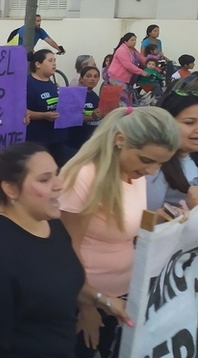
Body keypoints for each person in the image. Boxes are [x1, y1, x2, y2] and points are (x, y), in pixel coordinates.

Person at [0, 143, 130, 358]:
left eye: (56, 174)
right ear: (11, 189)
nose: (59, 185)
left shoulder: (51, 224)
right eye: (45, 179)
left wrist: (104, 300)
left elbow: (59, 284)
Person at [59, 106, 179, 358]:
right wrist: (88, 305)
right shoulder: (84, 176)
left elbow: (122, 224)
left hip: (119, 295)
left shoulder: (133, 174)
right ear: (120, 140)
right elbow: (66, 250)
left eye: (160, 163)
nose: (152, 171)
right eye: (147, 160)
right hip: (83, 300)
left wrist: (169, 219)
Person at [147, 77, 198, 210]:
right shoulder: (153, 170)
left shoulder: (192, 155)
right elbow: (141, 224)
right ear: (167, 122)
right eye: (189, 123)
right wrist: (190, 210)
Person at [25, 49, 70, 167]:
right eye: (50, 61)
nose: (54, 64)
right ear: (38, 64)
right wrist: (43, 115)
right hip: (38, 140)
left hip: (57, 138)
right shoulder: (28, 84)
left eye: (55, 61)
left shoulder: (51, 83)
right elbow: (22, 111)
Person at [107, 33, 149, 106]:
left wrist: (152, 64)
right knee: (123, 100)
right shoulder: (122, 50)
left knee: (129, 99)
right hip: (118, 78)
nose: (134, 42)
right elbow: (128, 65)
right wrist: (142, 72)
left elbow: (142, 60)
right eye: (132, 40)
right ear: (125, 41)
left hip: (127, 80)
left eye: (135, 40)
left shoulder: (133, 50)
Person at [68, 66, 103, 151]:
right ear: (81, 79)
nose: (92, 79)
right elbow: (71, 119)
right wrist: (91, 117)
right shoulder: (75, 95)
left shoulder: (95, 97)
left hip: (91, 141)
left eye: (95, 76)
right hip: (75, 142)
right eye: (88, 76)